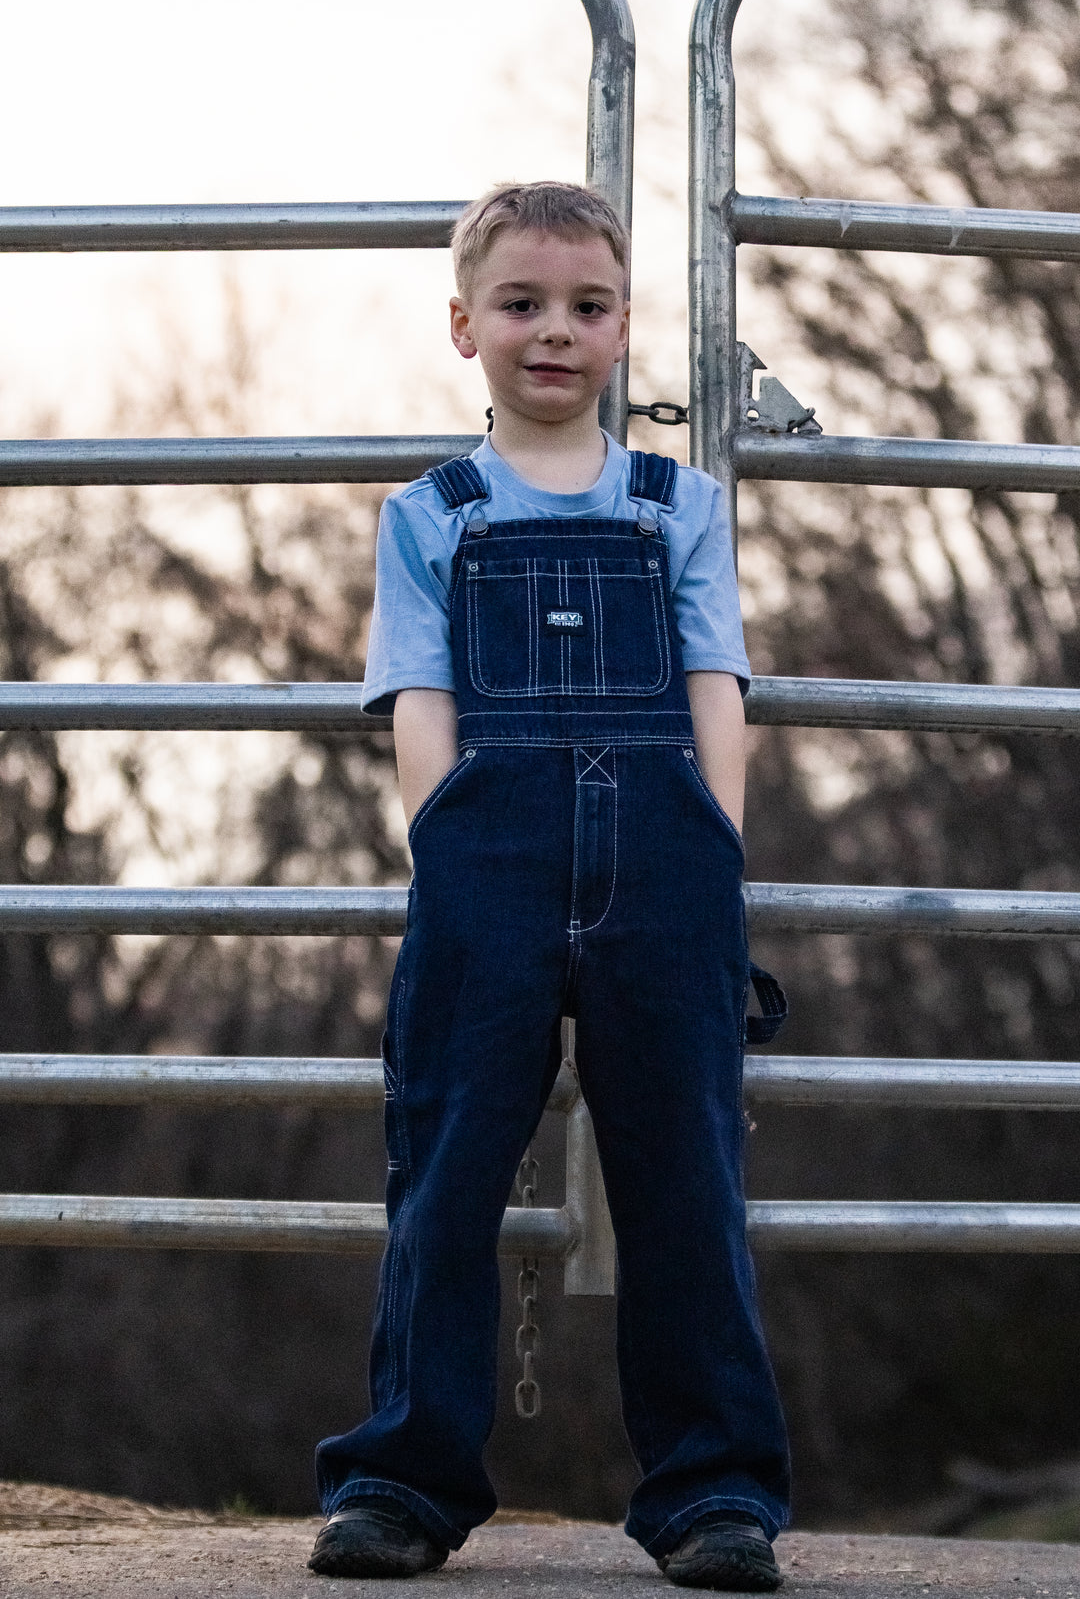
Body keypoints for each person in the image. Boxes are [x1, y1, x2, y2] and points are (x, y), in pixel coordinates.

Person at [309, 181, 791, 1590]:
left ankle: (717, 1494)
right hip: (488, 857)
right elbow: (416, 692)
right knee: (449, 1167)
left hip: (666, 857)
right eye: (521, 304)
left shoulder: (677, 504)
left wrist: (710, 840)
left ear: (626, 327)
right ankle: (402, 1479)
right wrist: (450, 841)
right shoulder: (432, 512)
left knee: (685, 1175)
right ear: (466, 326)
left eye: (586, 308)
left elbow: (717, 679)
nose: (554, 333)